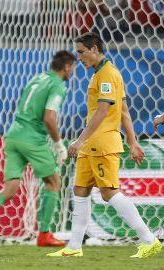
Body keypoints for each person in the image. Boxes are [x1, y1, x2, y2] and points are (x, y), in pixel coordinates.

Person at [47, 32, 162, 258]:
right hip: (92, 144)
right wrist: (133, 142)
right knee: (80, 190)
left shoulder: (108, 75)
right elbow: (124, 110)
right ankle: (74, 247)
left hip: (102, 143)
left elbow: (104, 110)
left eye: (81, 52)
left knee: (109, 193)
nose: (79, 57)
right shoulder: (101, 74)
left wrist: (80, 140)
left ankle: (149, 239)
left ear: (95, 49)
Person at [0, 51, 77, 247]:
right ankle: (44, 234)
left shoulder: (37, 78)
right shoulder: (58, 85)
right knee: (53, 181)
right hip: (32, 138)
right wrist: (59, 145)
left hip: (14, 135)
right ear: (67, 67)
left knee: (10, 189)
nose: (73, 71)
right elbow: (49, 118)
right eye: (73, 67)